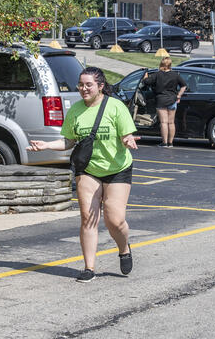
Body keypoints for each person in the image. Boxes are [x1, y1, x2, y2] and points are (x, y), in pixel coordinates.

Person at [28, 67, 138, 283]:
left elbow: (127, 135)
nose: (83, 89)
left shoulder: (116, 107)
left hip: (117, 169)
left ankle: (124, 248)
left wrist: (128, 140)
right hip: (87, 168)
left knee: (115, 221)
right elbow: (68, 141)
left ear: (100, 86)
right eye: (80, 84)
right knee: (88, 217)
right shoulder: (76, 110)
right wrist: (46, 145)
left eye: (89, 85)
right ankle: (89, 267)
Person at [141, 56, 187, 147]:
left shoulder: (157, 74)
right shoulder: (175, 75)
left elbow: (146, 82)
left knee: (163, 122)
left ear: (161, 64)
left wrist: (145, 73)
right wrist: (179, 95)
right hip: (172, 100)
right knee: (171, 122)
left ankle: (164, 143)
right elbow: (184, 85)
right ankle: (171, 143)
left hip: (161, 100)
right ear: (170, 65)